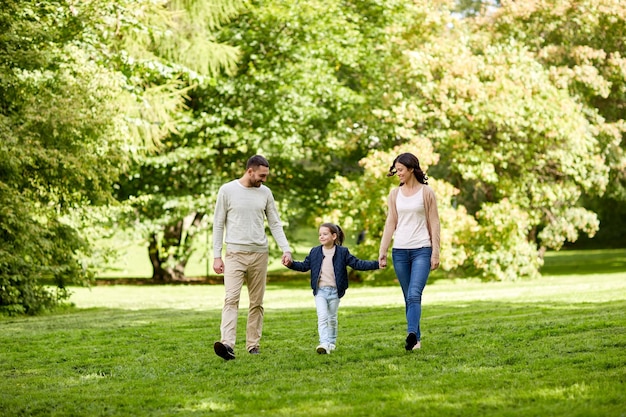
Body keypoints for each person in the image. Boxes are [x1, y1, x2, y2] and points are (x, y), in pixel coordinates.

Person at [212, 155, 292, 360]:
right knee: (231, 298)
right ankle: (227, 344)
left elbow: (275, 222)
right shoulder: (227, 190)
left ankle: (253, 345)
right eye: (261, 175)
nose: (264, 180)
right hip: (234, 254)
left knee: (256, 302)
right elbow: (218, 224)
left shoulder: (265, 193)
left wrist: (286, 249)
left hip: (259, 254)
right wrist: (216, 255)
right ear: (250, 171)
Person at [285, 222, 379, 354]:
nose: (321, 237)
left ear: (334, 236)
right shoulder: (315, 252)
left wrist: (377, 264)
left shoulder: (342, 252)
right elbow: (304, 266)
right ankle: (324, 343)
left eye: (325, 234)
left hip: (335, 292)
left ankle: (332, 342)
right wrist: (290, 264)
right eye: (320, 234)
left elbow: (358, 264)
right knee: (322, 317)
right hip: (320, 292)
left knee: (332, 318)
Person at [378, 152, 440, 351]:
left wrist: (436, 252)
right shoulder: (394, 194)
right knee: (409, 297)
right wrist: (383, 250)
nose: (398, 174)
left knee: (414, 294)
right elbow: (390, 223)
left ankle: (411, 333)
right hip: (400, 252)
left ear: (412, 169)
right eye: (396, 170)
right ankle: (416, 339)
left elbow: (434, 222)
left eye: (401, 170)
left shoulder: (426, 192)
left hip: (422, 248)